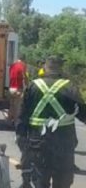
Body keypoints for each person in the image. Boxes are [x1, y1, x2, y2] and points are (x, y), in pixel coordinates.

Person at [16, 56, 86, 188]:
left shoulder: (32, 86)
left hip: (37, 144)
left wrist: (21, 137)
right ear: (61, 68)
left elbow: (22, 116)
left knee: (40, 181)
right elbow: (83, 114)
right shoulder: (70, 87)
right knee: (62, 182)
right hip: (64, 145)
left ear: (45, 67)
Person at [8, 57, 27, 123]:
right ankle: (16, 122)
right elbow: (24, 76)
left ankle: (9, 120)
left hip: (11, 88)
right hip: (18, 89)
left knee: (12, 106)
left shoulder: (12, 65)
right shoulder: (22, 65)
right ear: (23, 60)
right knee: (18, 107)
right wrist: (27, 84)